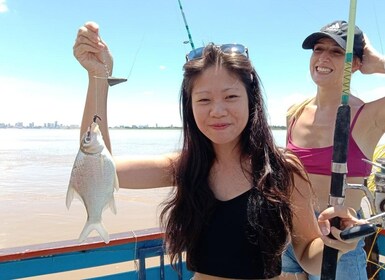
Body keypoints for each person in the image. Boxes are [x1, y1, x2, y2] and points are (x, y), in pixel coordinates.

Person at [74, 21, 365, 280]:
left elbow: (307, 255)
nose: (217, 110)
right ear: (189, 107)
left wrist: (334, 243)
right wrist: (98, 78)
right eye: (203, 100)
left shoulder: (284, 170)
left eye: (230, 96)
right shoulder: (183, 167)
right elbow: (98, 167)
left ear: (251, 101)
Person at [282, 20, 385, 279]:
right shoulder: (294, 113)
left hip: (339, 240)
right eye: (318, 49)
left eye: (338, 51)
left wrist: (378, 63)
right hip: (288, 233)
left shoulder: (369, 115)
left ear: (357, 63)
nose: (323, 57)